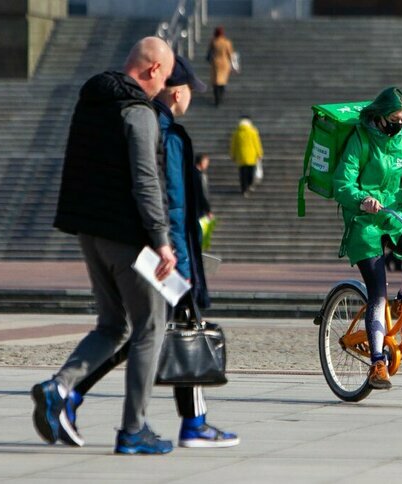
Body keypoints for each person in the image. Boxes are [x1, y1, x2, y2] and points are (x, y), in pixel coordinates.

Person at [62, 55, 238, 449]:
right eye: (192, 89)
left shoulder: (146, 121)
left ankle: (72, 393)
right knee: (172, 328)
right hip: (164, 252)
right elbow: (170, 202)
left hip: (132, 241)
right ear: (178, 91)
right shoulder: (166, 134)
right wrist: (180, 263)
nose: (193, 96)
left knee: (145, 331)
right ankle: (183, 424)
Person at [30, 36, 177, 455]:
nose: (163, 86)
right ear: (151, 70)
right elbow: (146, 181)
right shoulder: (138, 112)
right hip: (129, 237)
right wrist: (163, 242)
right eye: (163, 77)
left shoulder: (92, 101)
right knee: (151, 326)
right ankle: (133, 430)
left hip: (89, 232)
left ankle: (58, 387)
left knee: (113, 326)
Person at [332, 86, 402, 390]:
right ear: (381, 116)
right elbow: (342, 184)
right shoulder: (360, 141)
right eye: (395, 118)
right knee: (376, 291)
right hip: (364, 222)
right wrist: (362, 200)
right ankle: (377, 362)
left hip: (395, 215)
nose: (400, 123)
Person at [230, 115, 263, 197]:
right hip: (251, 156)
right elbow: (257, 143)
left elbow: (233, 145)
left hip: (241, 157)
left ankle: (244, 189)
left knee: (242, 174)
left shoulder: (236, 133)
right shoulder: (253, 132)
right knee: (250, 172)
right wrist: (259, 153)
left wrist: (233, 155)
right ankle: (250, 185)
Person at [207, 26, 234, 106]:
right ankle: (221, 97)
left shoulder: (214, 42)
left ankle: (217, 99)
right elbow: (230, 54)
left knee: (216, 82)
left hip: (215, 63)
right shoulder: (227, 42)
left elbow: (209, 52)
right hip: (225, 63)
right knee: (223, 81)